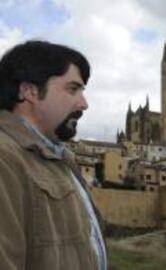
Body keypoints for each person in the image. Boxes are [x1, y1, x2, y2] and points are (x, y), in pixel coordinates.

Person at [0, 41, 106, 270]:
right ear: (29, 91)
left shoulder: (62, 158)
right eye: (72, 89)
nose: (84, 104)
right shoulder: (5, 159)